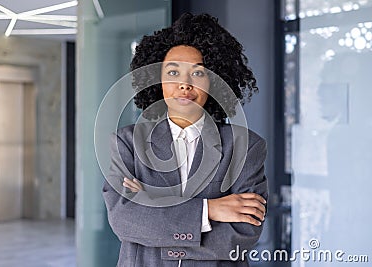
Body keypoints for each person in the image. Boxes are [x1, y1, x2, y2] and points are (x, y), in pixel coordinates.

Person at [103, 13, 268, 267]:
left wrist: (156, 223)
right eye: (173, 72)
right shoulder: (127, 143)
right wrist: (209, 210)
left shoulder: (245, 147)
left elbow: (240, 237)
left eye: (198, 74)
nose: (184, 84)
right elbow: (125, 220)